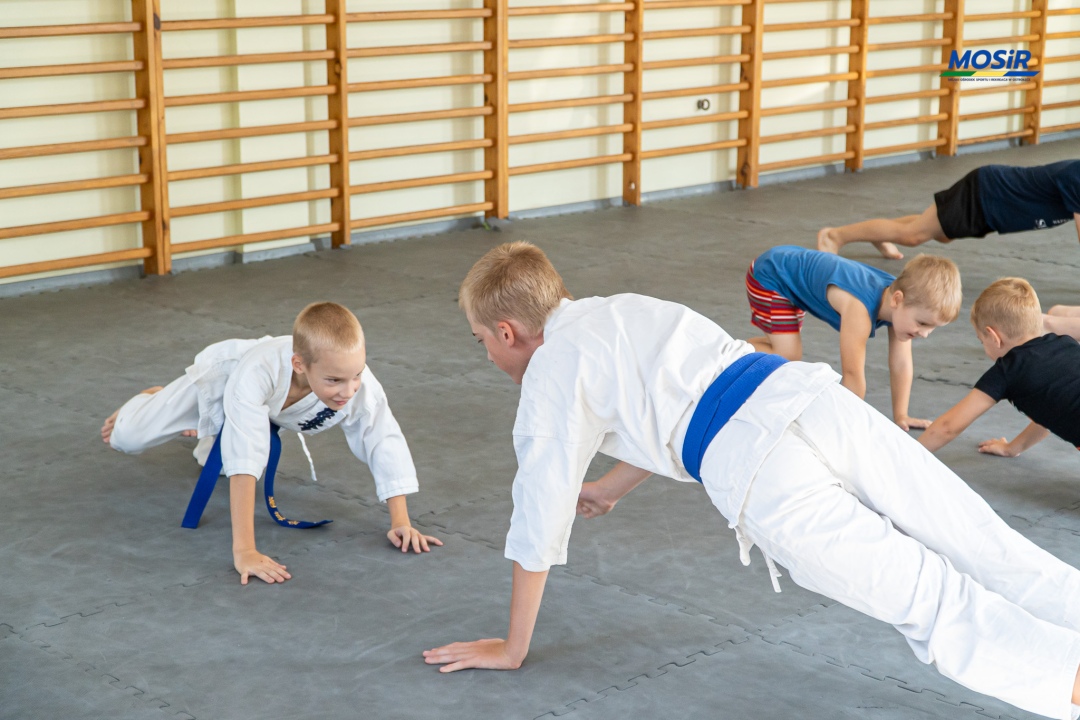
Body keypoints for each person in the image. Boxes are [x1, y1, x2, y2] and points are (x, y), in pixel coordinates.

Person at [424, 241, 1080, 720]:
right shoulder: (621, 310)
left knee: (933, 602)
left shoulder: (548, 376)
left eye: (482, 339)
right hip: (812, 400)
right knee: (981, 541)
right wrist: (611, 488)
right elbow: (679, 404)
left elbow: (538, 517)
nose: (486, 351)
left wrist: (512, 647)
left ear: (507, 331)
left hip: (764, 472)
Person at [102, 302, 440, 585]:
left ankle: (207, 432)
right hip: (224, 383)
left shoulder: (357, 384)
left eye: (356, 374)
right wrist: (245, 551)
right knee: (126, 438)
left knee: (215, 463)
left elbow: (382, 439)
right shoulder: (256, 372)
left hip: (267, 406)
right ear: (300, 365)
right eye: (335, 380)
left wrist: (400, 521)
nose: (348, 390)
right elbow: (246, 459)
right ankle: (153, 399)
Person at [745, 245, 960, 429]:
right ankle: (732, 350)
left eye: (932, 328)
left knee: (786, 351)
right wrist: (846, 425)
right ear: (897, 299)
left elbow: (901, 364)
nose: (924, 334)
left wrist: (901, 415)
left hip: (790, 269)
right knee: (788, 355)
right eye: (922, 323)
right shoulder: (860, 309)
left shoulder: (904, 302)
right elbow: (852, 375)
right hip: (771, 276)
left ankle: (742, 351)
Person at [920, 278, 1080, 456]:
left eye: (982, 341)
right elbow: (1050, 412)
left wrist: (904, 454)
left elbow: (948, 427)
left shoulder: (1008, 370)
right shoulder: (1064, 343)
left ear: (994, 337)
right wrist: (1012, 448)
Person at [817, 160, 1080, 260]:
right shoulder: (1077, 176)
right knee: (913, 236)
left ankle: (881, 234)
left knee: (938, 233)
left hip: (1000, 210)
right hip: (987, 193)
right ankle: (835, 236)